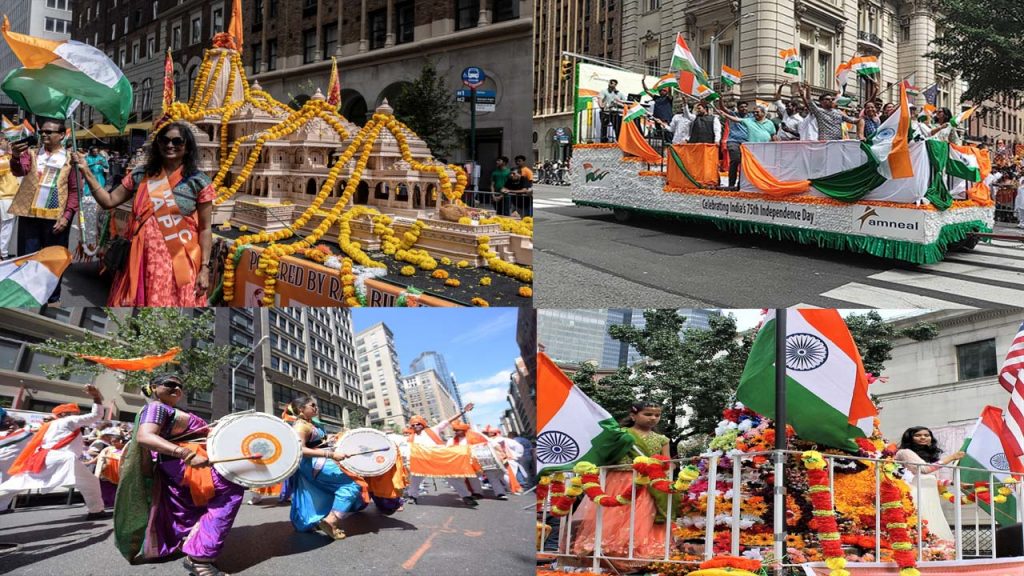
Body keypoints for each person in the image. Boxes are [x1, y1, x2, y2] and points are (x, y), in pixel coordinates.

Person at [114, 374, 243, 575]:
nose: (176, 388)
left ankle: (195, 541)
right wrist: (187, 454)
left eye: (180, 386)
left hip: (188, 461)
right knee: (228, 492)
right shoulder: (156, 408)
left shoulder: (174, 410)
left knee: (197, 502)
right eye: (170, 384)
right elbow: (145, 436)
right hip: (184, 462)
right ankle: (200, 559)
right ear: (154, 387)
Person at [78, 122, 214, 306]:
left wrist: (204, 268)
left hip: (178, 261)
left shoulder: (199, 181)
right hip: (139, 257)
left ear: (188, 146)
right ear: (157, 144)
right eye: (164, 140)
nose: (170, 145)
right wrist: (86, 171)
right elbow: (108, 201)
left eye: (177, 141)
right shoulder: (141, 174)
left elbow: (205, 229)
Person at [573, 402, 673, 566]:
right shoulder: (621, 434)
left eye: (657, 415)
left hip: (647, 484)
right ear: (633, 416)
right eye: (648, 414)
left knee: (644, 517)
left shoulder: (662, 439)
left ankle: (636, 553)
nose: (653, 418)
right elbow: (606, 454)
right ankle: (608, 551)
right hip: (618, 481)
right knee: (615, 515)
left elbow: (668, 462)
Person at [0, 386, 106, 519]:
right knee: (90, 482)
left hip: (42, 458)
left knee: (18, 482)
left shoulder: (48, 426)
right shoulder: (67, 420)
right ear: (62, 414)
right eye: (73, 412)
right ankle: (96, 511)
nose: (77, 415)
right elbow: (96, 416)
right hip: (62, 458)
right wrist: (96, 397)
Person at [8, 118, 82, 303]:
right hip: (30, 216)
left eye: (49, 132)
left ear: (62, 135)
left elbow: (75, 191)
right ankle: (26, 296)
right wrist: (16, 157)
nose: (44, 135)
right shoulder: (31, 154)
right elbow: (20, 171)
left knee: (53, 260)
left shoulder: (70, 159)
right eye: (42, 132)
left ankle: (52, 298)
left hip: (56, 219)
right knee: (27, 258)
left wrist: (67, 217)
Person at [286, 395, 364, 540]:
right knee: (352, 485)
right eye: (312, 405)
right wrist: (331, 454)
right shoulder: (300, 426)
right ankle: (331, 520)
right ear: (301, 409)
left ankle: (314, 521)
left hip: (318, 462)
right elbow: (300, 449)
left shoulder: (310, 423)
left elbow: (313, 443)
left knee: (324, 490)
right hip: (315, 464)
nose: (316, 408)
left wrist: (327, 440)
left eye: (316, 405)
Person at [894, 426, 962, 543]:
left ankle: (936, 554)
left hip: (930, 498)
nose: (923, 438)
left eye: (926, 435)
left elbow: (932, 480)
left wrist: (954, 483)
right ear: (909, 438)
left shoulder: (930, 457)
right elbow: (924, 469)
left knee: (933, 529)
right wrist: (951, 458)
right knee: (917, 526)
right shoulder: (904, 453)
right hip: (914, 496)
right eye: (918, 435)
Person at [405, 402, 477, 506]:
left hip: (439, 459)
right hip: (421, 461)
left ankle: (466, 497)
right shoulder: (410, 438)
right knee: (415, 479)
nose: (416, 426)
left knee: (452, 478)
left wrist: (463, 411)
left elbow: (447, 421)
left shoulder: (433, 430)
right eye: (413, 425)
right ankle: (413, 496)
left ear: (422, 424)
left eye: (418, 424)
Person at [447, 421, 507, 500]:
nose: (456, 432)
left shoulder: (477, 435)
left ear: (464, 430)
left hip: (485, 459)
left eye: (458, 430)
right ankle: (478, 493)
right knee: (473, 477)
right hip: (469, 462)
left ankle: (500, 493)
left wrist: (502, 452)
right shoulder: (452, 440)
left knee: (492, 476)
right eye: (455, 430)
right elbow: (448, 450)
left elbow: (493, 443)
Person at [0, 409, 30, 512]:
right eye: (6, 417)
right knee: (13, 482)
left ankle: (2, 507)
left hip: (8, 466)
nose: (9, 419)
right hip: (10, 465)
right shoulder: (22, 433)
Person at [0, 136, 21, 259]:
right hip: (5, 196)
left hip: (6, 196)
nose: (9, 143)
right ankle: (3, 254)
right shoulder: (4, 159)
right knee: (6, 227)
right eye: (6, 140)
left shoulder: (6, 157)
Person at [723, 100, 749, 189]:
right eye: (742, 107)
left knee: (744, 163)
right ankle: (731, 184)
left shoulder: (751, 117)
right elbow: (723, 108)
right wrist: (720, 100)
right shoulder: (733, 114)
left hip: (746, 143)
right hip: (733, 141)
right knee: (735, 160)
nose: (744, 109)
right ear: (738, 108)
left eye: (745, 107)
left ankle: (740, 184)